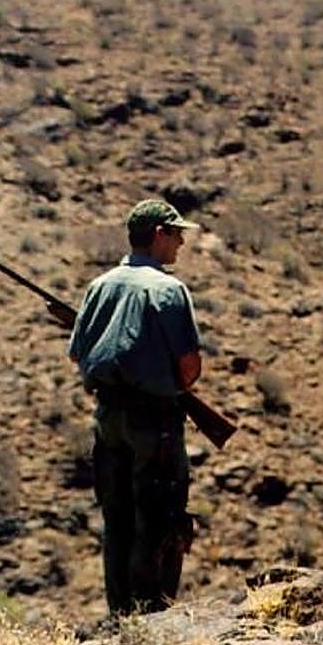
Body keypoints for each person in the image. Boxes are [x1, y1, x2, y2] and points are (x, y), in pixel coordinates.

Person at [67, 199, 202, 615]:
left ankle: (121, 615)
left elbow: (78, 353)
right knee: (160, 518)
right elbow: (189, 368)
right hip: (155, 422)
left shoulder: (100, 286)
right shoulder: (169, 289)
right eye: (176, 234)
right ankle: (154, 617)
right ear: (159, 235)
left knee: (118, 519)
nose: (180, 242)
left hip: (108, 419)